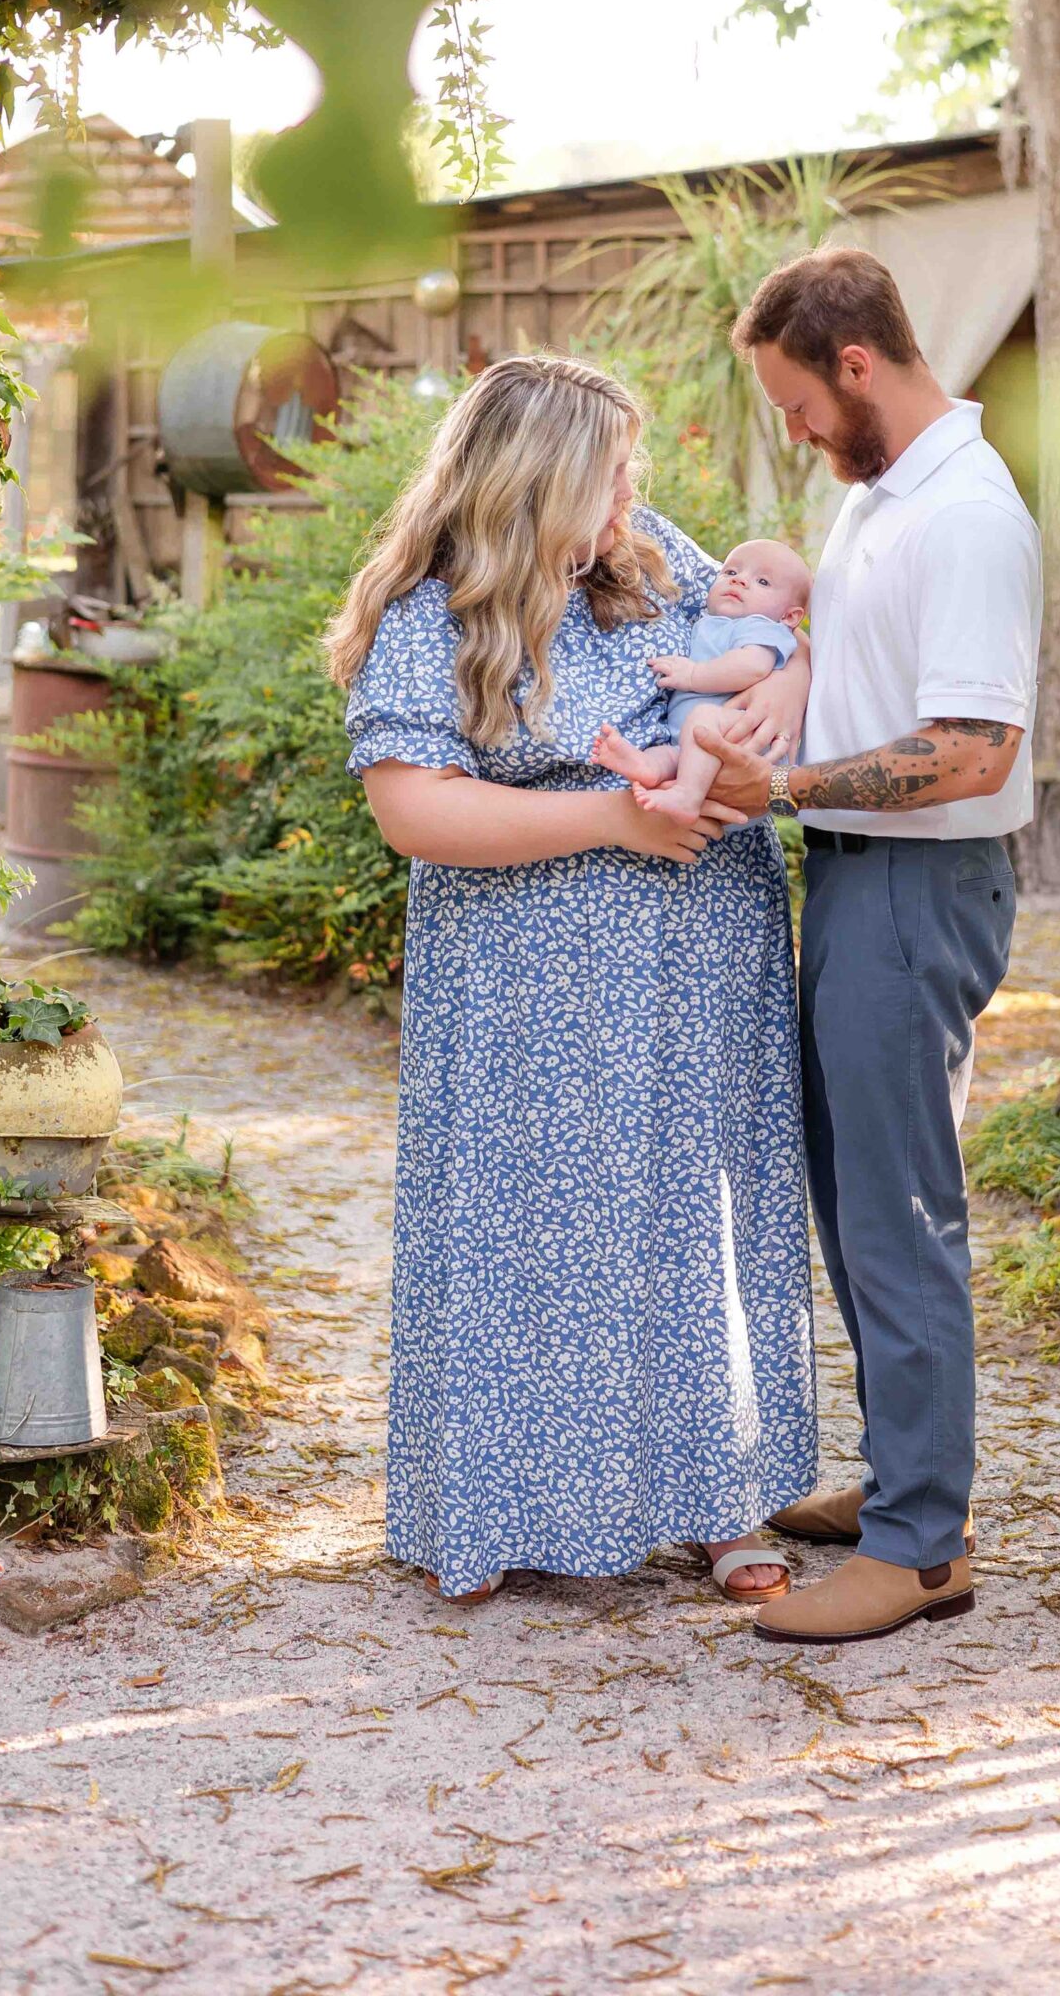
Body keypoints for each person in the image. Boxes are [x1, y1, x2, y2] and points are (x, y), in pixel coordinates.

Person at [328, 355, 817, 1605]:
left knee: (691, 1222)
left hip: (697, 966)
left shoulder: (648, 558)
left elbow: (777, 643)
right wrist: (613, 820)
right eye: (608, 473)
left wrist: (784, 691)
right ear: (538, 480)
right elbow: (412, 809)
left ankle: (720, 1500)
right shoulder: (432, 612)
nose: (629, 495)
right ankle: (494, 1505)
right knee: (523, 1226)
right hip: (524, 987)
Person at [713, 246, 1043, 1647]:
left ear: (856, 366)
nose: (792, 432)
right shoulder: (881, 493)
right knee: (855, 1197)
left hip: (918, 889)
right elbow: (868, 665)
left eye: (795, 405)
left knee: (900, 1212)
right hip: (857, 882)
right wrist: (792, 634)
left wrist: (781, 793)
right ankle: (908, 1481)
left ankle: (919, 1549)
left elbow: (970, 751)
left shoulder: (962, 514)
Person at [592, 537, 811, 818]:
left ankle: (687, 797)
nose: (740, 581)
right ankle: (648, 767)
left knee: (701, 722)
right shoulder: (713, 621)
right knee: (672, 752)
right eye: (731, 572)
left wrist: (694, 675)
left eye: (763, 582)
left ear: (790, 616)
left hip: (740, 740)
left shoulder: (763, 628)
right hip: (698, 746)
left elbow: (751, 666)